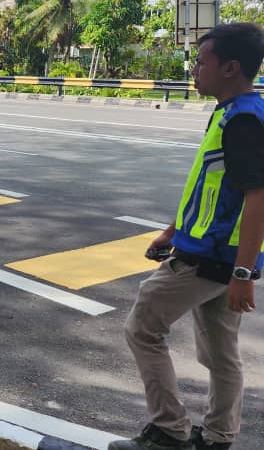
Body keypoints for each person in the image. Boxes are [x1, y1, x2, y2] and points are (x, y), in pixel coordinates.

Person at [110, 23, 264, 450]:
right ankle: (217, 439)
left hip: (213, 258)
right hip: (214, 254)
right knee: (220, 352)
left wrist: (242, 272)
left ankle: (167, 432)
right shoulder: (235, 112)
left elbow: (258, 200)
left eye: (202, 62)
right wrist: (171, 232)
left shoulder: (244, 121)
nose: (194, 69)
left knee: (142, 327)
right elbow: (212, 188)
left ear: (231, 68)